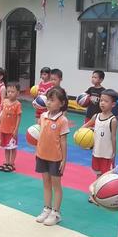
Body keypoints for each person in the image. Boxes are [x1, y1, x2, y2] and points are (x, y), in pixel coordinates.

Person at [35, 86, 69, 226]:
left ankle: (56, 213)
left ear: (61, 103)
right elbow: (40, 134)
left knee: (56, 185)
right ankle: (47, 208)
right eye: (48, 99)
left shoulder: (62, 120)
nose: (48, 102)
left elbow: (63, 142)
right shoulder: (43, 116)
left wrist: (64, 160)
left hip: (55, 158)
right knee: (46, 183)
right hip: (42, 155)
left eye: (52, 100)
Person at [83, 89, 118, 178]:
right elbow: (84, 127)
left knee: (105, 177)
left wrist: (114, 154)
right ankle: (96, 191)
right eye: (101, 100)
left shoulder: (113, 120)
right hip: (96, 152)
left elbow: (113, 138)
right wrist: (83, 133)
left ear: (113, 104)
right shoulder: (96, 116)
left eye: (106, 101)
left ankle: (102, 190)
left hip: (107, 154)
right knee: (98, 174)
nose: (102, 103)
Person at [0, 82, 22, 173]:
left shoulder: (17, 104)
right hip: (3, 128)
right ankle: (7, 162)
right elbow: (2, 113)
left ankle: (12, 163)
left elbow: (19, 117)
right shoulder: (4, 102)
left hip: (11, 130)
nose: (10, 93)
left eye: (13, 91)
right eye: (8, 91)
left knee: (12, 147)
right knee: (6, 147)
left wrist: (16, 129)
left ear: (18, 93)